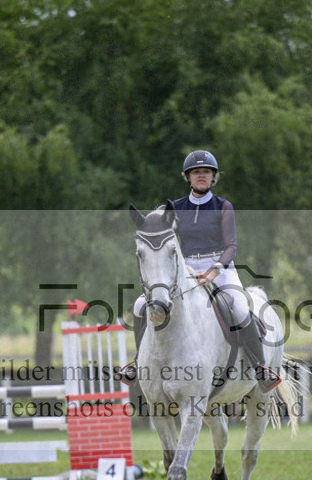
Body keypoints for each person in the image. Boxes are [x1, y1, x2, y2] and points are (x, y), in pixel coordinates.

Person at [118, 150, 281, 392]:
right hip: (186, 268)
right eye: (196, 172)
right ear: (188, 177)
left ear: (213, 176)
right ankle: (138, 362)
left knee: (238, 306)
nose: (201, 176)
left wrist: (215, 271)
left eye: (206, 172)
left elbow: (231, 246)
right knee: (142, 305)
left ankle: (260, 368)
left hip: (220, 267)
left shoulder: (223, 206)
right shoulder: (175, 208)